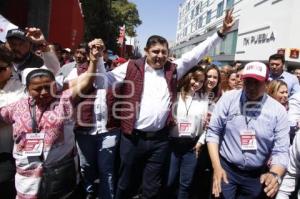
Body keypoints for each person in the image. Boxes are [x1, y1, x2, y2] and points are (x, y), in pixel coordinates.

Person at [96, 9, 235, 199]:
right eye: (155, 51)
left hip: (160, 141)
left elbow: (197, 53)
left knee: (152, 187)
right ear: (146, 52)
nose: (160, 55)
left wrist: (220, 33)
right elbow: (103, 80)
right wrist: (95, 60)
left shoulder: (173, 69)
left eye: (164, 51)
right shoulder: (131, 66)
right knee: (126, 182)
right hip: (132, 138)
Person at [0, 39, 101, 199]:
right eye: (37, 88)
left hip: (61, 177)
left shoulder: (65, 99)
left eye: (48, 86)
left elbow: (87, 82)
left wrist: (94, 61)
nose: (44, 92)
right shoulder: (15, 107)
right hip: (27, 182)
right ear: (27, 89)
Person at [206, 61, 290, 198]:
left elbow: (281, 150)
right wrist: (216, 167)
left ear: (267, 84)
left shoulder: (278, 111)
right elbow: (213, 132)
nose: (251, 87)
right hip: (226, 170)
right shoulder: (228, 99)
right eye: (248, 81)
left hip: (256, 177)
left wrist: (275, 174)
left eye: (256, 82)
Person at [166, 66, 208, 199]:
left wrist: (201, 142)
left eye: (201, 81)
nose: (197, 84)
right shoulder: (175, 94)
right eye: (195, 79)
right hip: (173, 144)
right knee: (169, 181)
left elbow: (207, 125)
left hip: (192, 146)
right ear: (188, 77)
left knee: (185, 184)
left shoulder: (203, 98)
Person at [0, 45, 26, 199]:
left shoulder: (20, 90)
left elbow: (17, 113)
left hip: (8, 154)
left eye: (0, 68)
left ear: (10, 67)